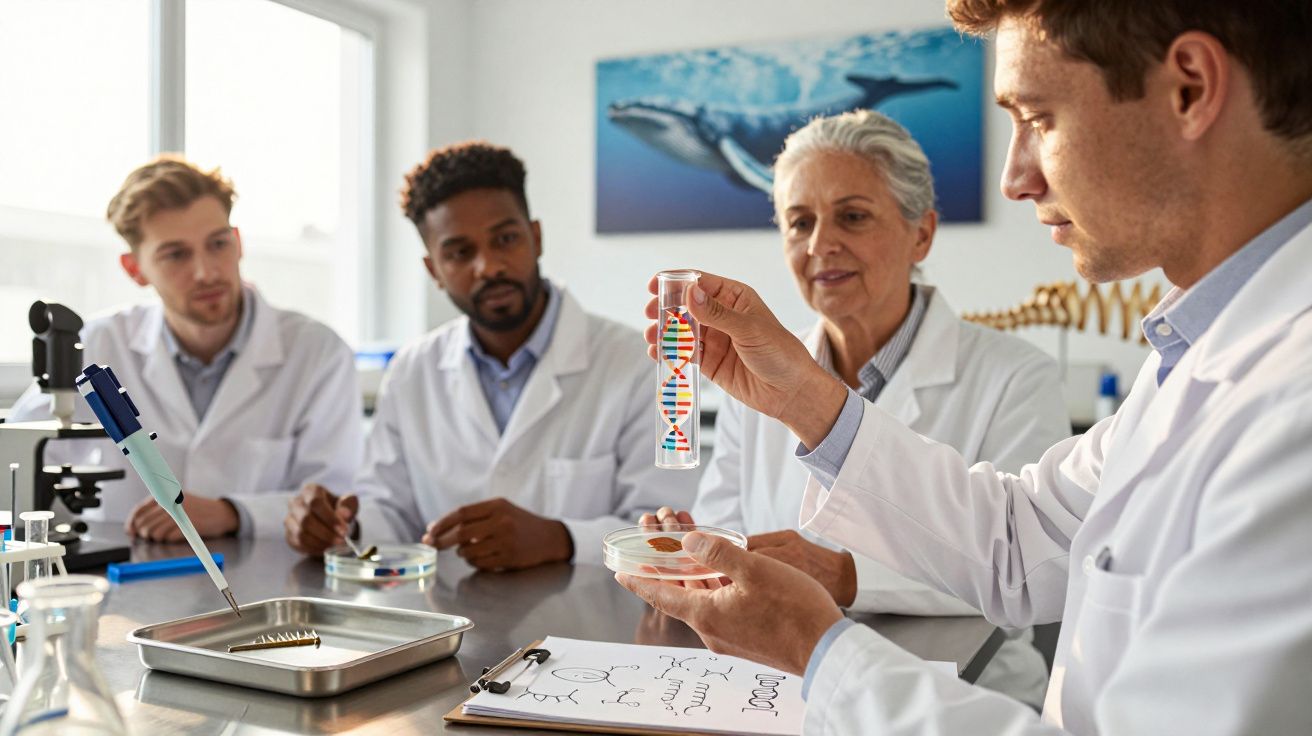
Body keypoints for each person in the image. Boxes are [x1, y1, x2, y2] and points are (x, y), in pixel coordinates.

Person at [618, 0, 1312, 733]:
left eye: (1039, 119)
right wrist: (805, 399)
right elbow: (1019, 540)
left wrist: (817, 648)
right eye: (799, 220)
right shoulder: (1196, 354)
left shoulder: (1289, 405)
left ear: (1191, 89)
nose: (1015, 178)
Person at [666, 109, 1068, 706]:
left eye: (853, 216)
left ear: (921, 234)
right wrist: (692, 551)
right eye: (799, 223)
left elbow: (1030, 563)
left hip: (965, 699)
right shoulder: (750, 373)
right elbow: (732, 530)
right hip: (779, 692)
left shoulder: (1016, 376)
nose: (821, 244)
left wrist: (844, 575)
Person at [283, 141, 695, 570]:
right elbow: (390, 510)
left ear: (536, 238)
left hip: (595, 626)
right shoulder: (412, 371)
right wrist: (343, 527)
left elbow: (670, 530)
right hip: (452, 625)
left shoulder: (642, 364)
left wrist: (560, 538)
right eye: (460, 252)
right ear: (434, 271)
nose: (489, 266)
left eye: (506, 239)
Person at [8, 155, 363, 540]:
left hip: (269, 583)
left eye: (218, 244)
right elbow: (15, 459)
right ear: (134, 269)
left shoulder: (319, 353)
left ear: (239, 242)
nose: (206, 272)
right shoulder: (97, 345)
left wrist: (234, 512)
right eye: (176, 254)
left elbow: (336, 501)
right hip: (126, 581)